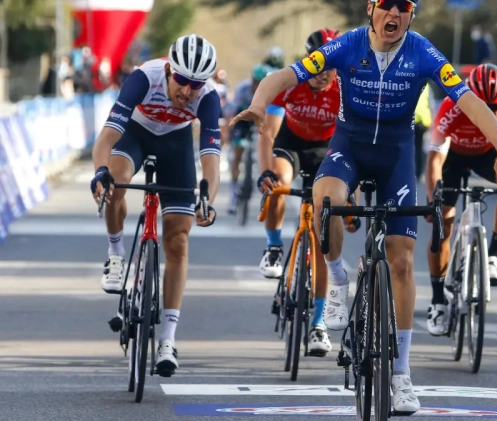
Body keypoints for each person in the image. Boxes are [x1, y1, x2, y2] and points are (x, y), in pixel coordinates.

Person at [230, 0, 497, 414]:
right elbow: (283, 76)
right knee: (324, 199)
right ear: (371, 7)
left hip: (395, 157)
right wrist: (255, 106)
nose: (394, 13)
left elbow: (467, 99)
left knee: (402, 262)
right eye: (386, 4)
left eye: (404, 7)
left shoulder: (422, 53)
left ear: (412, 14)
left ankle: (402, 375)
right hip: (348, 148)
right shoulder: (347, 45)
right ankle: (337, 279)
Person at [90, 34, 221, 377]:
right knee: (116, 180)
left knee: (178, 239)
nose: (188, 92)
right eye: (183, 82)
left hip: (175, 146)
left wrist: (208, 195)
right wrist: (100, 172)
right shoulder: (143, 78)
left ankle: (167, 338)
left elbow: (210, 158)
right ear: (168, 70)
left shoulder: (207, 98)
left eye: (197, 84)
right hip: (136, 135)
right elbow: (107, 137)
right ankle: (116, 253)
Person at [256, 28, 354, 357]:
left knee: (322, 232)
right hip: (291, 144)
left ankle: (318, 324)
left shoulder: (344, 89)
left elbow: (352, 140)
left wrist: (349, 188)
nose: (323, 74)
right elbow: (268, 133)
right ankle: (273, 247)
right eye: (317, 66)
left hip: (326, 150)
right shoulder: (292, 81)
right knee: (279, 185)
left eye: (330, 68)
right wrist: (266, 172)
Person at [424, 63, 497, 336]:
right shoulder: (452, 106)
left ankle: (492, 256)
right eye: (485, 106)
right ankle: (437, 300)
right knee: (442, 223)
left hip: (487, 155)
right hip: (454, 157)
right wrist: (433, 201)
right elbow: (434, 160)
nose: (491, 113)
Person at [223, 64, 274, 214]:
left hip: (261, 119)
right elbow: (231, 112)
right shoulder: (242, 89)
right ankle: (233, 193)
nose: (259, 86)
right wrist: (229, 130)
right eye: (257, 82)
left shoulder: (272, 91)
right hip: (243, 120)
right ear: (252, 80)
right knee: (238, 152)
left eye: (263, 83)